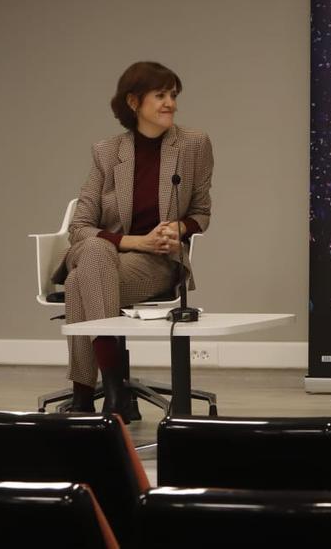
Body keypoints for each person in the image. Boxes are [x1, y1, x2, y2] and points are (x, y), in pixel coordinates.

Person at [52, 61, 213, 418]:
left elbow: (201, 212)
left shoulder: (193, 145)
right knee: (92, 255)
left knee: (81, 280)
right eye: (160, 95)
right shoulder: (107, 153)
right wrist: (137, 242)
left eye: (173, 95)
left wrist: (179, 230)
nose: (170, 102)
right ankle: (113, 390)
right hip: (119, 256)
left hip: (159, 263)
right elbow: (80, 226)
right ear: (134, 102)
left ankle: (86, 395)